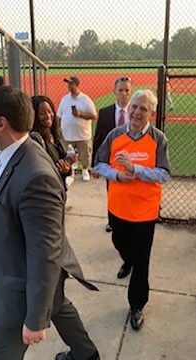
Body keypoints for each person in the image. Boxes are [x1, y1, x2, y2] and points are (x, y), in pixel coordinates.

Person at [0, 85, 100, 360]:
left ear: (1, 123)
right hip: (26, 273)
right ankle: (87, 356)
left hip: (20, 290)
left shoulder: (35, 176)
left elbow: (44, 252)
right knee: (59, 305)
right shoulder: (19, 147)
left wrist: (34, 319)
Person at [94, 89, 170, 331]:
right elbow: (99, 163)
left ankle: (137, 304)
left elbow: (164, 174)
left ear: (151, 113)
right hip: (118, 208)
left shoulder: (158, 139)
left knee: (142, 260)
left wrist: (136, 169)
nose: (137, 112)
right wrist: (116, 174)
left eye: (143, 109)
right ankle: (129, 260)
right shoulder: (115, 135)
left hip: (145, 211)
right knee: (119, 242)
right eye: (134, 107)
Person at [92, 76, 133, 232]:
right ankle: (112, 221)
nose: (123, 94)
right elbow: (98, 140)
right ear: (114, 91)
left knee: (130, 192)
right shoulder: (105, 112)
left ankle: (129, 220)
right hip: (112, 162)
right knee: (113, 192)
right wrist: (95, 165)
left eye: (127, 90)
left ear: (131, 92)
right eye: (120, 90)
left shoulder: (135, 113)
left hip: (132, 160)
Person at [57, 75, 97, 181]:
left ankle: (84, 170)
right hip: (67, 134)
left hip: (82, 134)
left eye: (71, 84)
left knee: (84, 153)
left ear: (77, 85)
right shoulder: (64, 99)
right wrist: (57, 129)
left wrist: (80, 114)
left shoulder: (85, 99)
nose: (69, 86)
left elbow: (94, 116)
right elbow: (59, 116)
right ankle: (72, 171)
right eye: (68, 84)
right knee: (68, 153)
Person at [32, 95, 76, 189]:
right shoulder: (35, 140)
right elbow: (42, 171)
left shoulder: (54, 135)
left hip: (58, 190)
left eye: (49, 111)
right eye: (42, 113)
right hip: (47, 192)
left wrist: (67, 166)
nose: (48, 116)